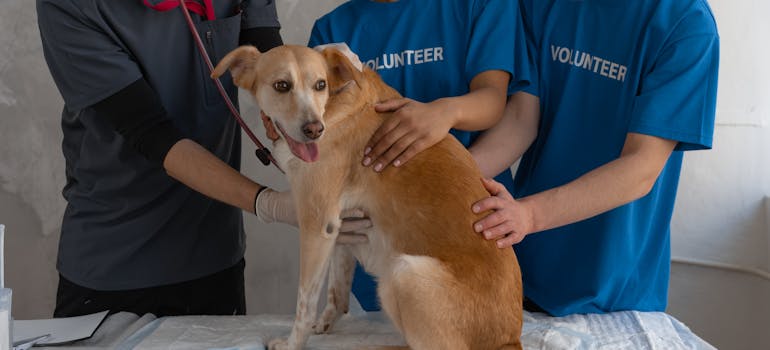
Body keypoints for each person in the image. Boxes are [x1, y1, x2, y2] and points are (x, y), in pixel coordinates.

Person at [36, 0, 368, 318]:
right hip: (115, 264)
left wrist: (290, 106)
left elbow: (265, 48)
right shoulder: (70, 5)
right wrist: (271, 204)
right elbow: (152, 134)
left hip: (214, 255)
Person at [469, 0, 720, 316]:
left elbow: (641, 166)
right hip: (527, 269)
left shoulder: (687, 24)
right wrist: (446, 179)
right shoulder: (538, 5)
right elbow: (521, 120)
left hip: (616, 292)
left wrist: (528, 215)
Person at [308, 0, 532, 311]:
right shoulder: (332, 29)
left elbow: (493, 100)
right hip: (380, 241)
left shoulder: (480, 6)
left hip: (468, 223)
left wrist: (447, 112)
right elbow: (322, 134)